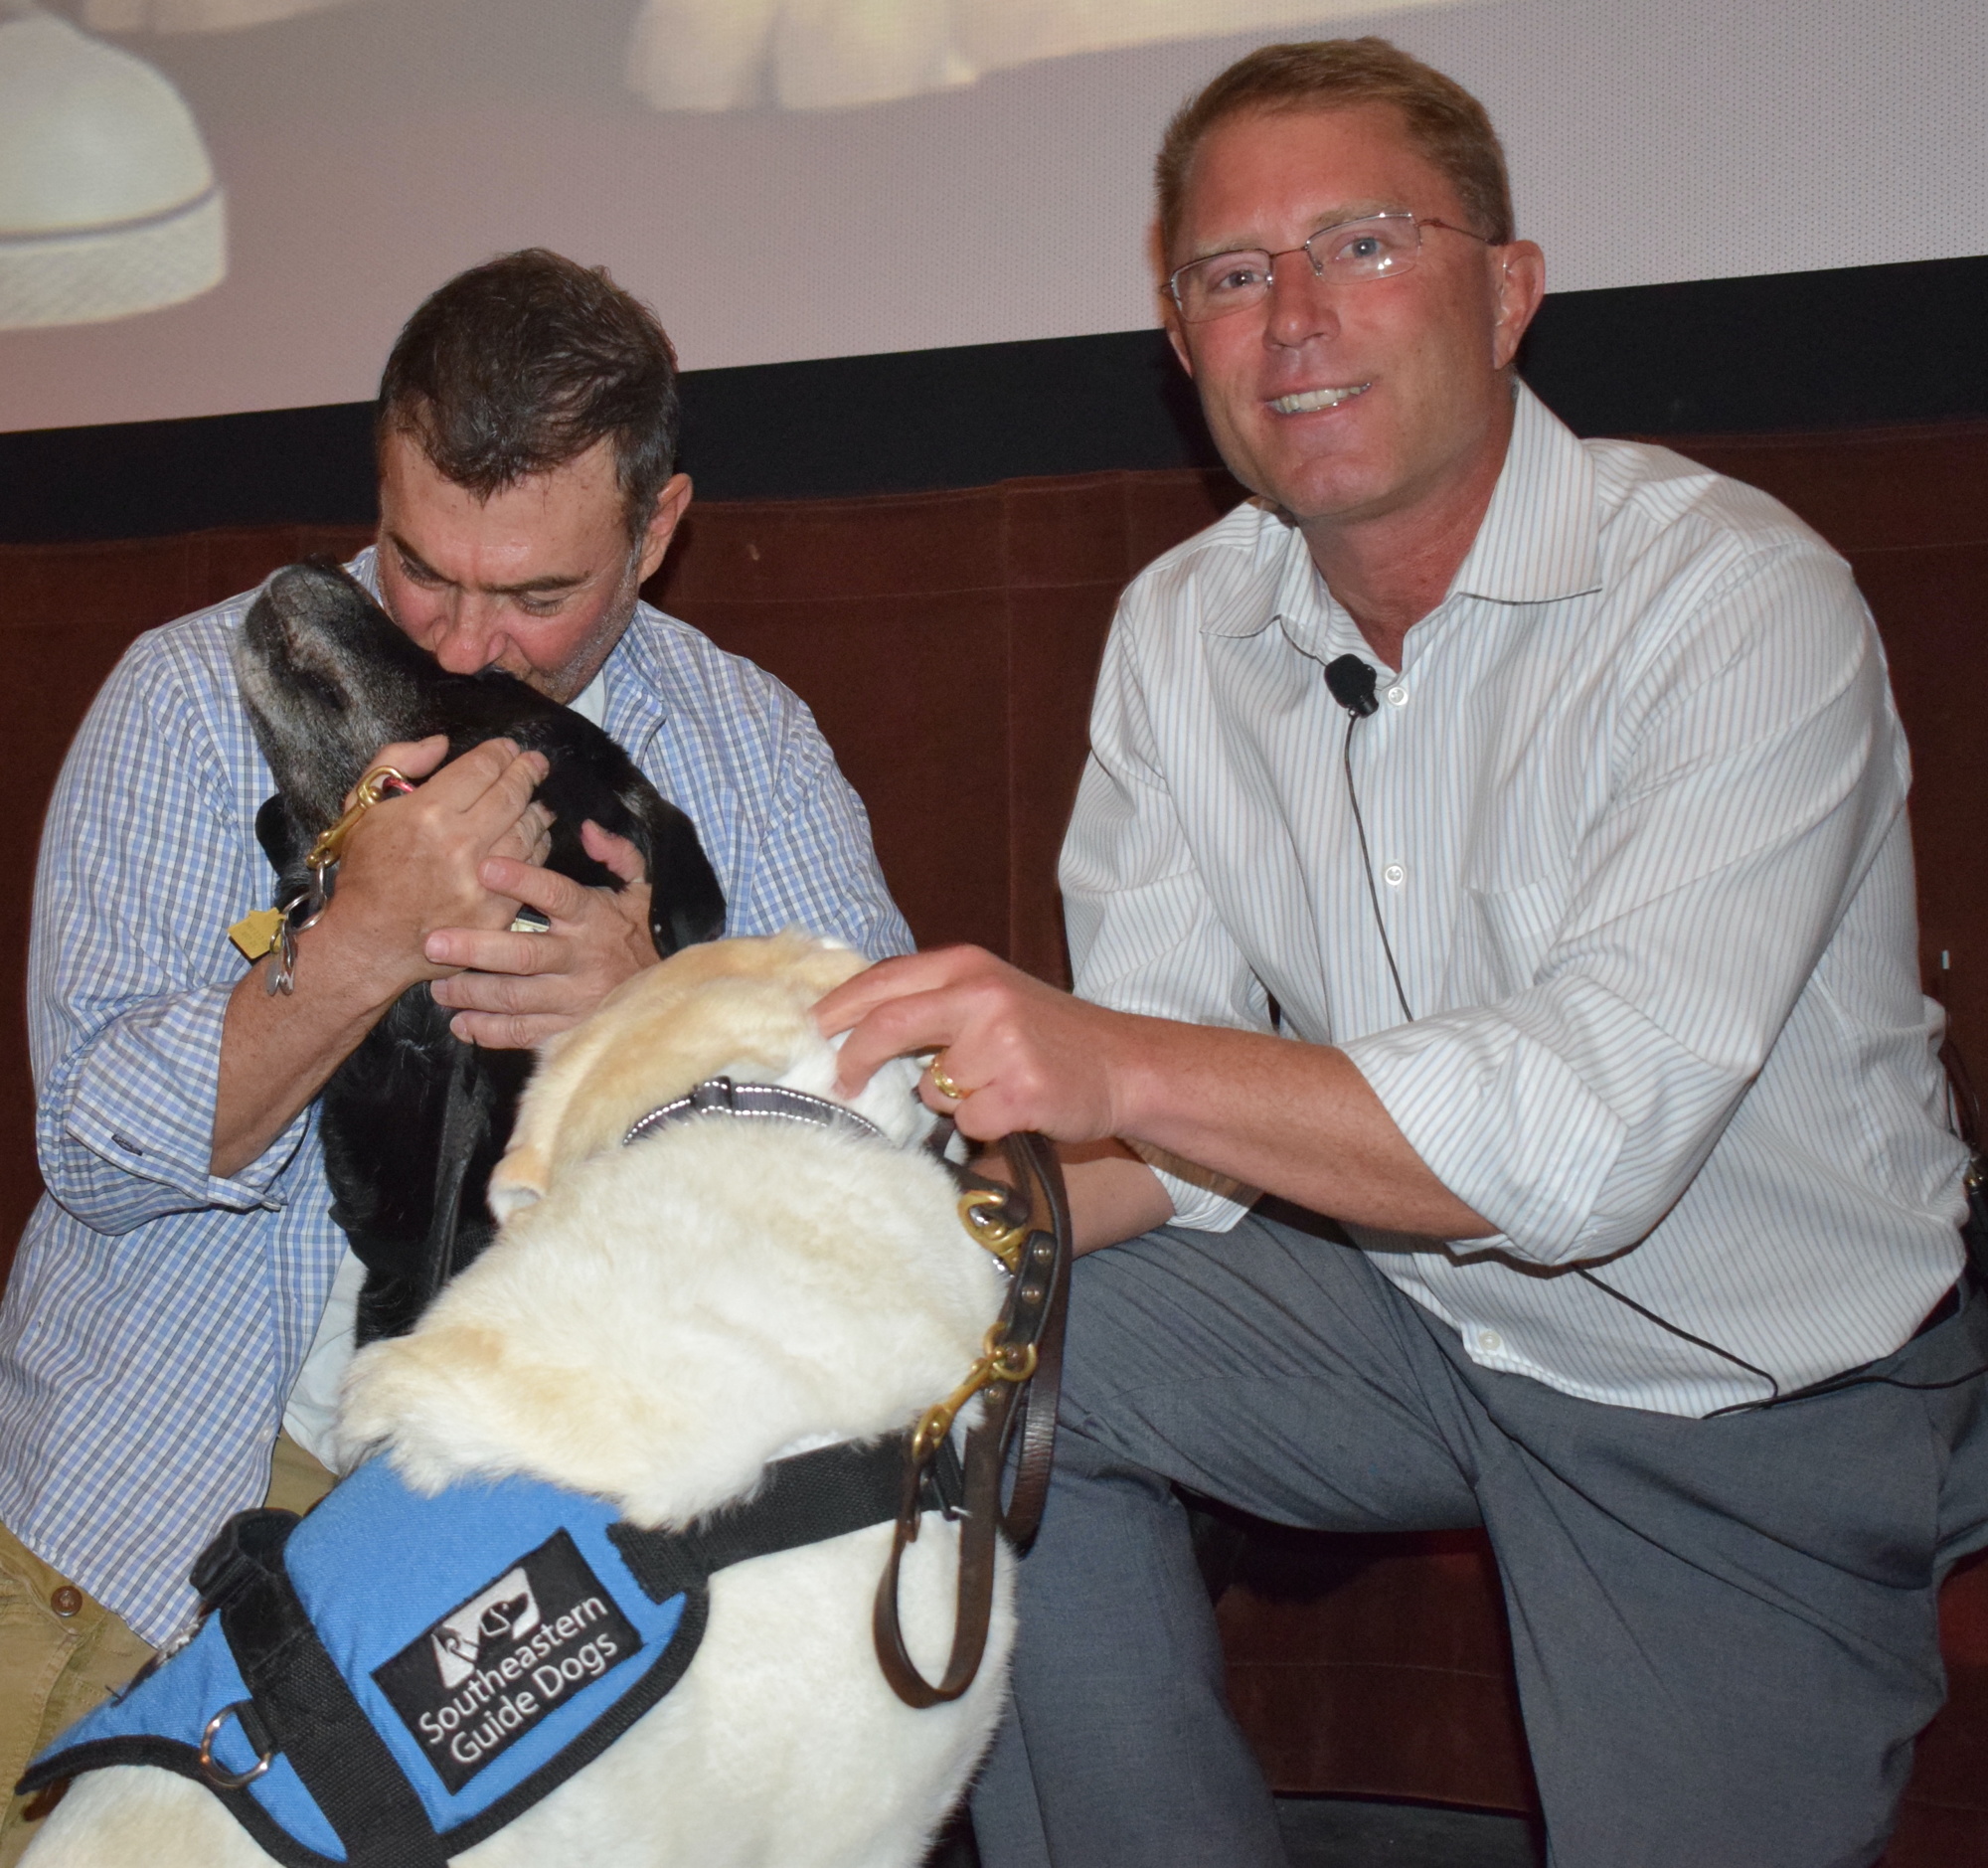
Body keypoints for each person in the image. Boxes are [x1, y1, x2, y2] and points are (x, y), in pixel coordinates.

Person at [818, 39, 1988, 1867]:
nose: (1293, 320)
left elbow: (1588, 1144)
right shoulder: (1183, 627)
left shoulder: (1735, 600)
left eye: (1362, 245)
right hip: (1415, 1318)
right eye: (1229, 274)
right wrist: (865, 1215)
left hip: (1745, 1386)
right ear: (1180, 341)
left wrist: (1109, 1062)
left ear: (1508, 295)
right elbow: (1180, 1146)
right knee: (965, 1333)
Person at [0, 249, 910, 1858]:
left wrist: (653, 1014)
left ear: (659, 527)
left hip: (553, 1495)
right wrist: (349, 947)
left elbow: (891, 1130)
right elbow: (91, 1150)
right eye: (425, 572)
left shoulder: (746, 741)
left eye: (540, 594)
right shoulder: (187, 698)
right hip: (148, 1497)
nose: (473, 643)